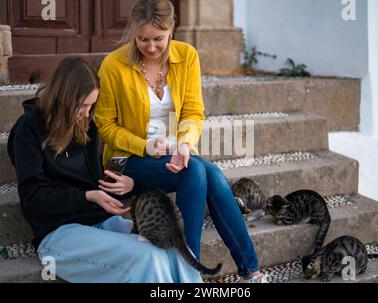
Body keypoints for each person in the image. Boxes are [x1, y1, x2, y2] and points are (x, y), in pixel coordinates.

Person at [94, 0, 267, 283]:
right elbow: (105, 125)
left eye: (158, 39)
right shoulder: (114, 65)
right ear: (133, 33)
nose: (150, 47)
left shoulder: (187, 56)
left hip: (175, 153)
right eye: (142, 39)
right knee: (198, 171)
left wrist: (185, 144)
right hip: (128, 159)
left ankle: (249, 271)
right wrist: (144, 146)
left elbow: (193, 113)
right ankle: (191, 272)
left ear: (171, 30)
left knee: (209, 173)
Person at [7, 56, 203, 283]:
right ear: (62, 99)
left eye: (91, 106)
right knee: (147, 256)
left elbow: (95, 180)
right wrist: (87, 196)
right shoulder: (28, 130)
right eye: (81, 106)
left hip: (98, 222)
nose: (86, 114)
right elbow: (33, 198)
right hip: (58, 233)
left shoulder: (85, 124)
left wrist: (130, 185)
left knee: (173, 248)